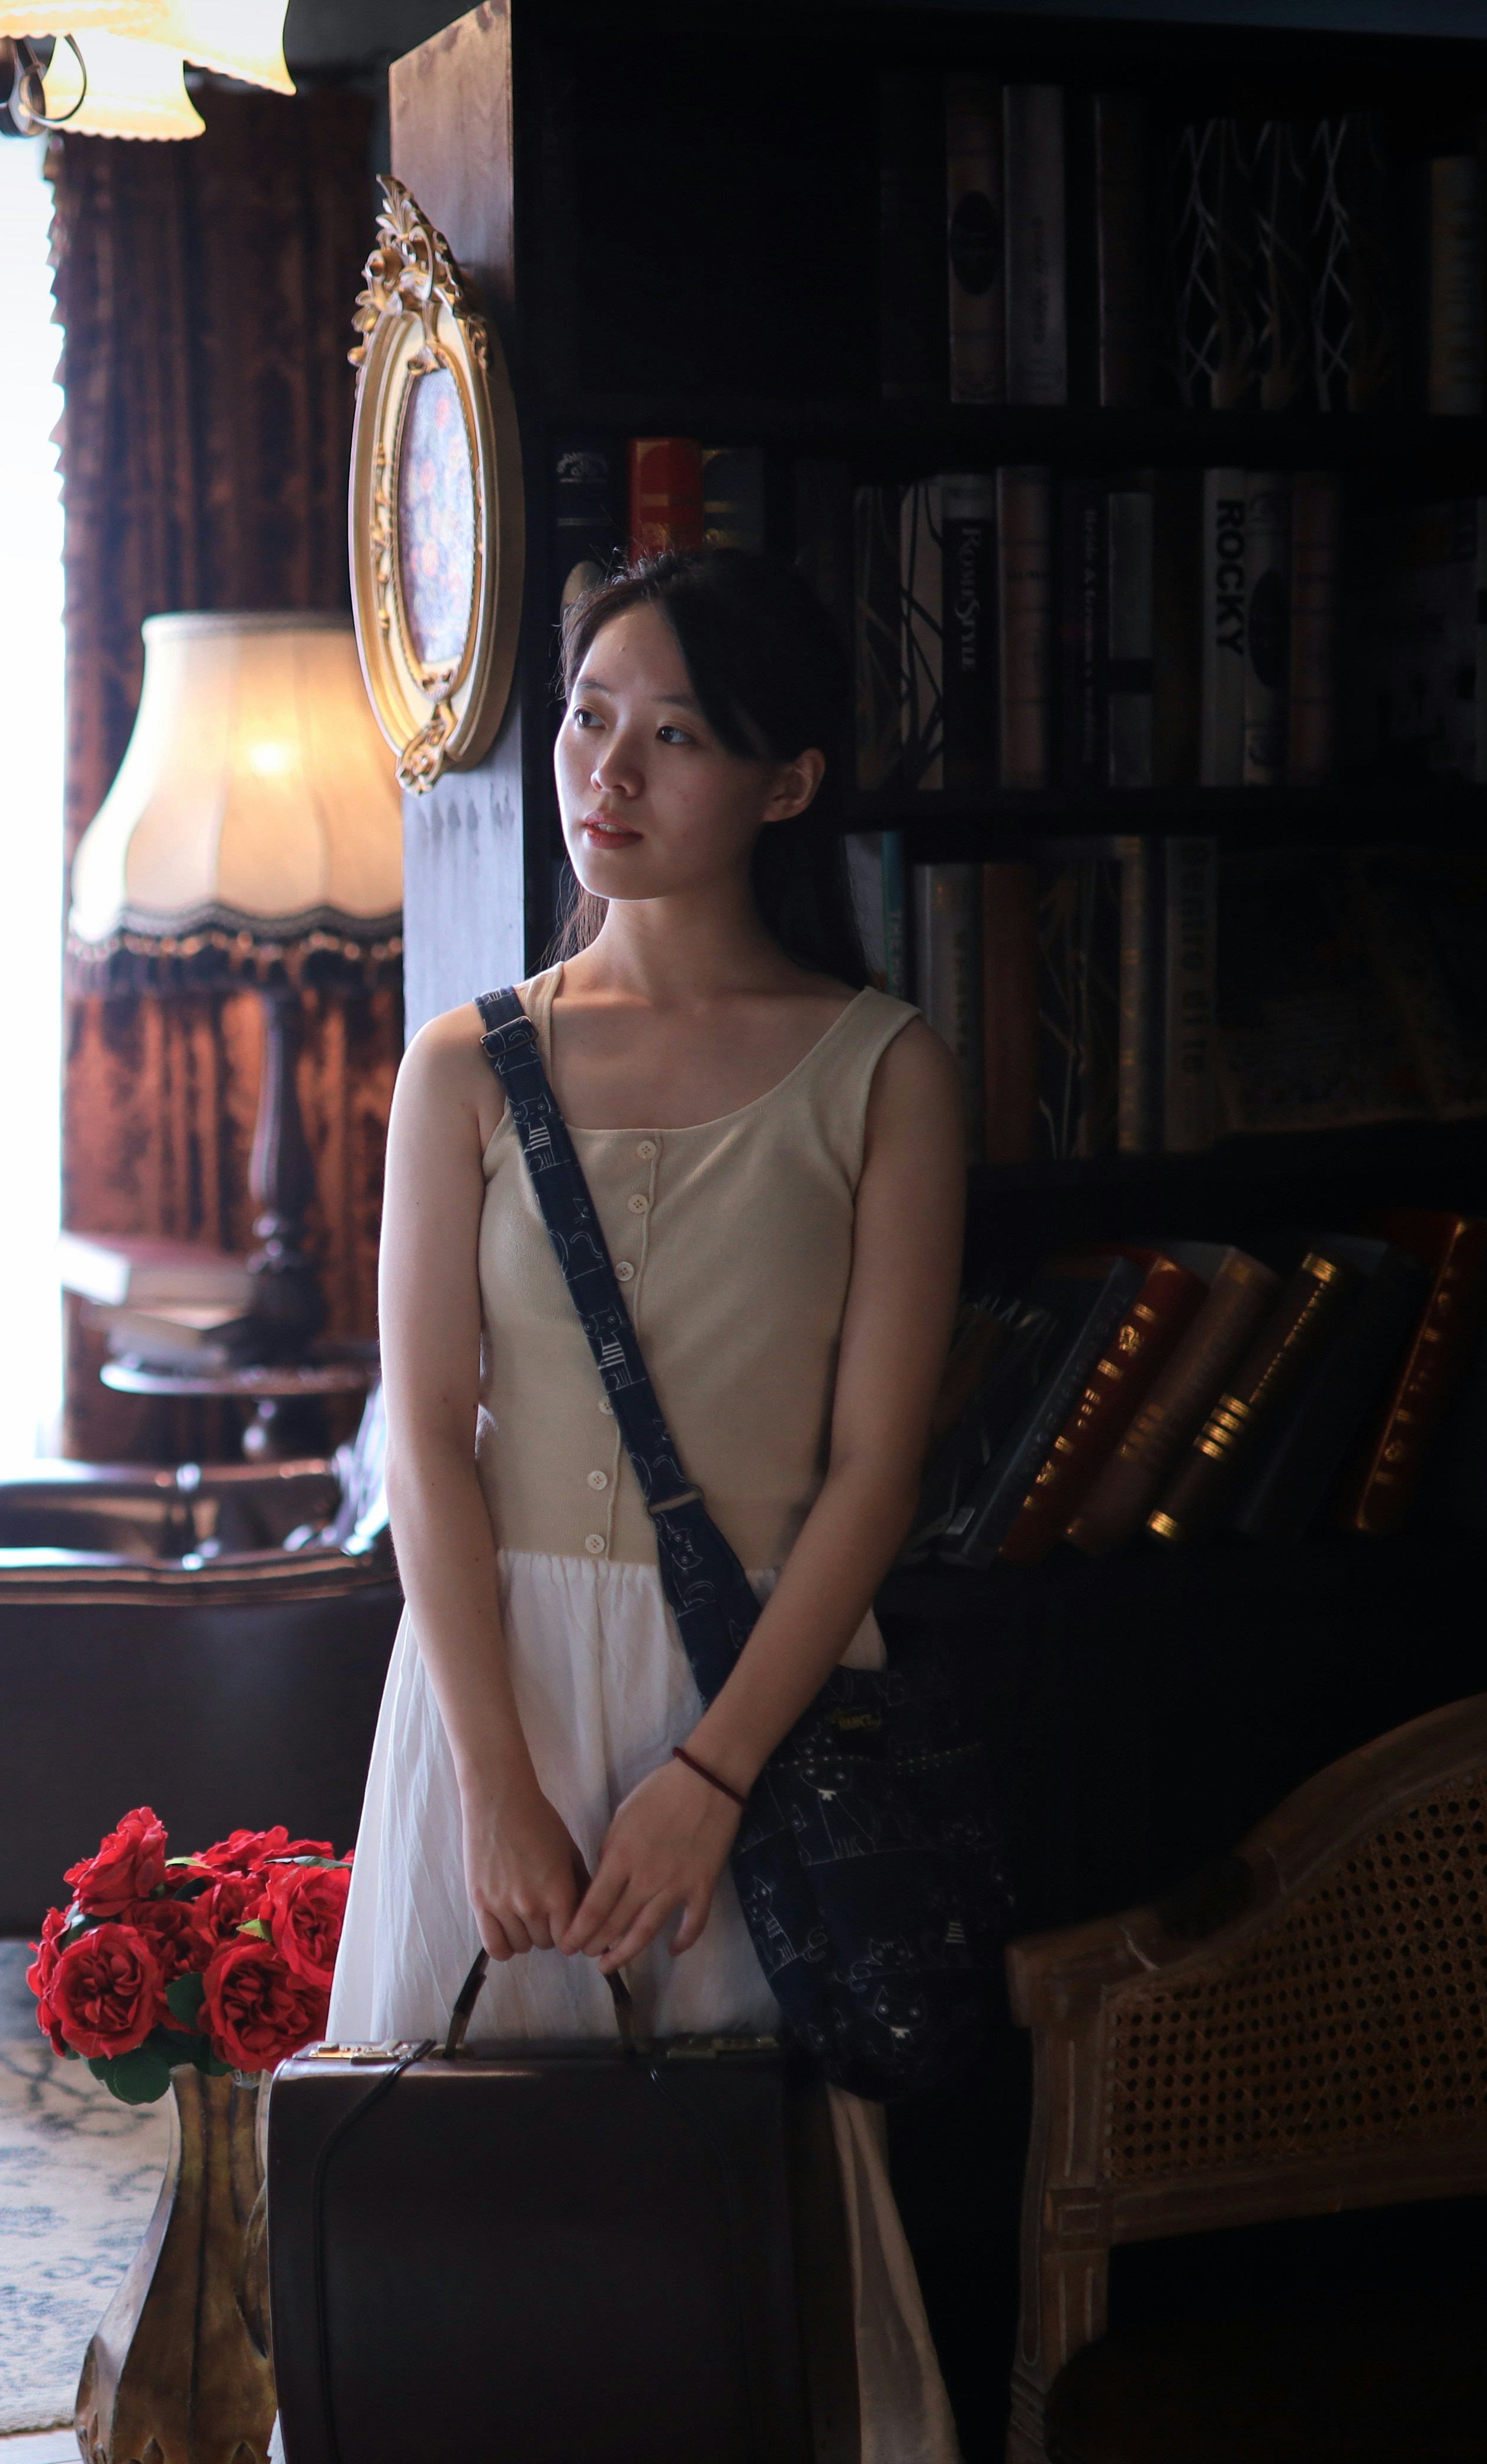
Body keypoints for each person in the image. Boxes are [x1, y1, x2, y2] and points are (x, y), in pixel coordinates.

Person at [319, 549, 966, 2460]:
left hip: (754, 1698)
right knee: (455, 2188)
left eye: (676, 736)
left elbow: (876, 1473)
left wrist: (710, 1776)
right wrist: (497, 1777)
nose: (607, 768)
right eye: (592, 716)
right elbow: (425, 1433)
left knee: (737, 2217)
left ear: (787, 784)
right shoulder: (467, 1066)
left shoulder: (881, 1069)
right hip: (491, 1684)